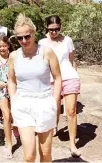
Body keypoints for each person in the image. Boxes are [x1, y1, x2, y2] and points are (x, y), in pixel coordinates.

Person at [8, 13, 62, 162]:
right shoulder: (14, 56)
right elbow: (11, 81)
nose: (24, 41)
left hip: (44, 103)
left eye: (27, 36)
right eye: (20, 38)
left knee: (45, 153)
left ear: (34, 33)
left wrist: (55, 100)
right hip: (23, 105)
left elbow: (58, 77)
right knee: (29, 155)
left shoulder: (46, 52)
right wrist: (14, 101)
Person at [38, 15, 81, 157]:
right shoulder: (42, 43)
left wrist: (75, 73)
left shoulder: (67, 40)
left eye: (57, 29)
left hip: (69, 77)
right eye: (51, 29)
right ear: (46, 29)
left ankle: (73, 145)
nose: (54, 32)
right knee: (53, 107)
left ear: (60, 27)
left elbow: (71, 59)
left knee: (71, 111)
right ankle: (54, 127)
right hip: (50, 79)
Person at [0, 37, 19, 158]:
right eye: (0, 46)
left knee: (14, 113)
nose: (2, 48)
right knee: (6, 115)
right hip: (0, 90)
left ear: (8, 46)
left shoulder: (14, 58)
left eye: (4, 46)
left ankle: (15, 129)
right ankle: (9, 144)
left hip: (13, 88)